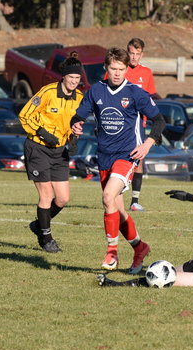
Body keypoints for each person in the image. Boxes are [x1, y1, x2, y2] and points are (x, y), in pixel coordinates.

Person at [71, 47, 166, 273]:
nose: (117, 73)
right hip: (105, 156)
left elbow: (159, 121)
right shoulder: (96, 90)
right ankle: (140, 247)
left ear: (126, 70)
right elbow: (78, 115)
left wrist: (147, 144)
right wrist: (76, 124)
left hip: (127, 155)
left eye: (121, 69)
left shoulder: (135, 93)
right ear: (106, 68)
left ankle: (112, 252)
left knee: (107, 197)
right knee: (116, 208)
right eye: (113, 68)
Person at [19, 52, 84, 253]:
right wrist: (43, 133)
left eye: (77, 78)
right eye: (71, 77)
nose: (74, 81)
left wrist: (74, 138)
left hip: (59, 151)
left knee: (63, 199)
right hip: (38, 147)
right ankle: (46, 238)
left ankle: (39, 225)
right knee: (46, 195)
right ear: (63, 76)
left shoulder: (79, 98)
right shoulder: (47, 92)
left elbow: (75, 123)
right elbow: (24, 116)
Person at [125, 38, 157, 211]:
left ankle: (134, 201)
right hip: (119, 122)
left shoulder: (146, 72)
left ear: (142, 54)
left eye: (137, 54)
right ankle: (112, 195)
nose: (134, 57)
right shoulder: (118, 69)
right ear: (127, 52)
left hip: (138, 123)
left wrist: (154, 123)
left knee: (138, 159)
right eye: (131, 53)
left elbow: (150, 99)